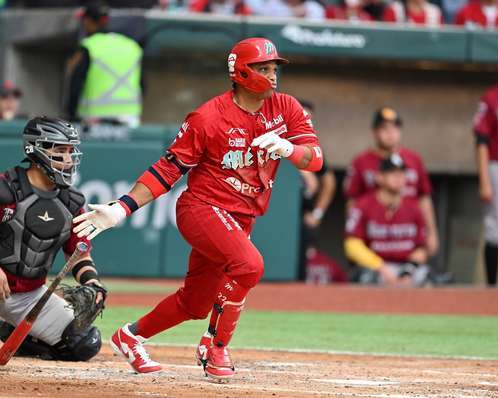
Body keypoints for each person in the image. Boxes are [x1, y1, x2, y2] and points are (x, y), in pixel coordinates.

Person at [73, 37, 323, 380]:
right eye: (264, 68)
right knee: (249, 265)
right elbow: (167, 169)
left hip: (241, 216)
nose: (273, 75)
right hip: (202, 208)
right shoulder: (208, 117)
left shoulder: (286, 107)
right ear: (242, 72)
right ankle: (215, 345)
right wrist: (122, 207)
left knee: (195, 303)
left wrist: (287, 148)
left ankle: (129, 336)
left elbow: (315, 159)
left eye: (274, 68)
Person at [0, 116, 106, 361]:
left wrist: (93, 283)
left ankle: (12, 332)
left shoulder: (72, 203)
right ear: (35, 151)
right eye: (60, 151)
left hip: (29, 296)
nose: (68, 160)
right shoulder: (6, 188)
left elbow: (78, 253)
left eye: (71, 152)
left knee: (84, 343)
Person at [343, 107, 439, 258]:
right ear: (374, 132)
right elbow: (352, 201)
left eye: (395, 128)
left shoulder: (413, 159)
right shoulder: (361, 161)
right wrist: (355, 235)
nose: (390, 133)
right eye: (384, 128)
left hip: (406, 233)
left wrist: (432, 233)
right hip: (374, 235)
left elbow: (424, 198)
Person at [344, 154, 430, 286]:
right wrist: (380, 267)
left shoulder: (414, 206)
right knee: (366, 277)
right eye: (392, 173)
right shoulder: (363, 205)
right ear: (379, 177)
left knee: (434, 279)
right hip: (376, 266)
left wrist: (408, 271)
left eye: (402, 173)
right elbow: (352, 245)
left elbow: (422, 248)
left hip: (406, 266)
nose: (398, 178)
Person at [66, 2, 144, 127]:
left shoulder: (89, 46)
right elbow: (142, 84)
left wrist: (71, 115)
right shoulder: (132, 46)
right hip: (129, 119)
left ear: (87, 21)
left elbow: (76, 83)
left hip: (94, 120)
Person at [298, 99, 336, 280]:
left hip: (302, 220)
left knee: (300, 272)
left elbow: (328, 181)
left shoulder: (312, 148)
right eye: (303, 117)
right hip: (273, 218)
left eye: (310, 119)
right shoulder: (274, 140)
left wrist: (317, 214)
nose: (307, 123)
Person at [474, 83, 498, 286]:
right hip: (496, 164)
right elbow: (481, 139)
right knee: (495, 229)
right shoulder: (492, 97)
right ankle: (491, 289)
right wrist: (485, 180)